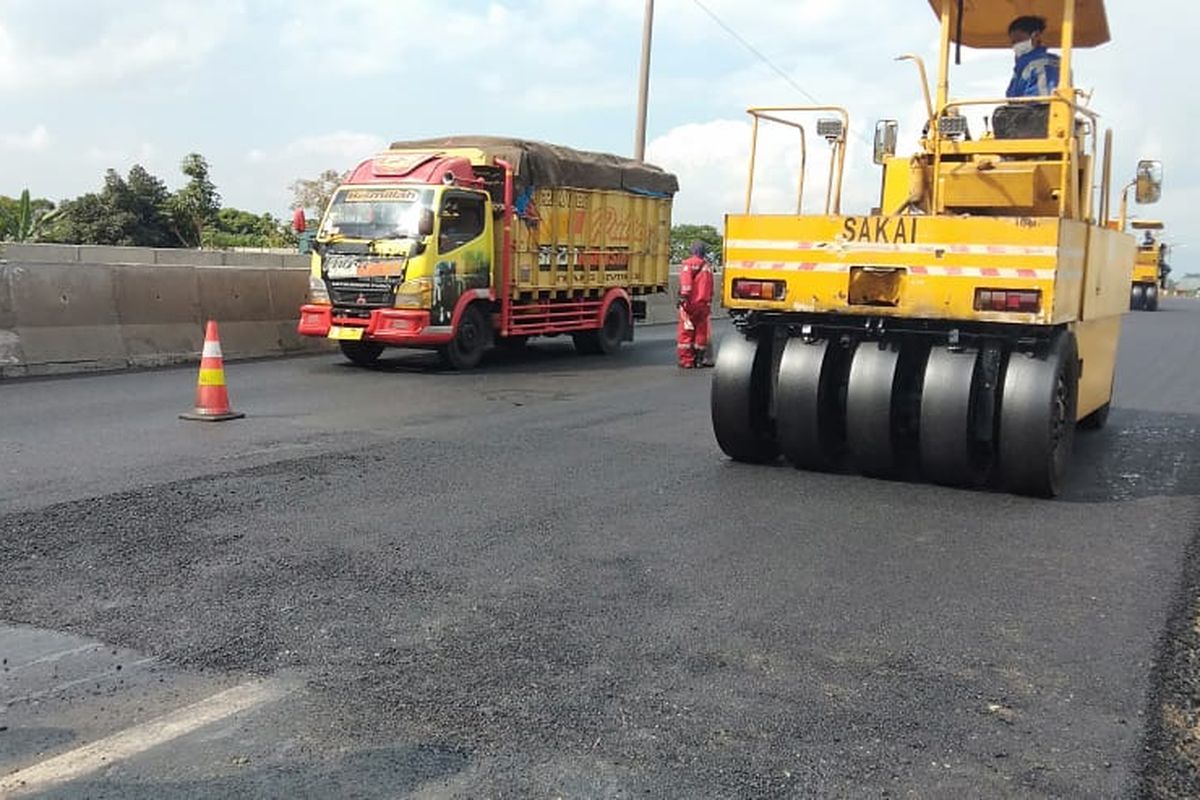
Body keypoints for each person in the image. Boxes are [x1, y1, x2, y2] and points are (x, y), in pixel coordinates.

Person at [677, 241, 715, 369]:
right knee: (701, 332)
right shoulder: (708, 267)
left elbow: (686, 283)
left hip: (691, 303)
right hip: (704, 305)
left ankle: (687, 361)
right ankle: (699, 359)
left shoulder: (688, 264)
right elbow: (711, 288)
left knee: (686, 331)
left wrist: (683, 296)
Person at [1006, 16, 1061, 99]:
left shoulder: (1045, 63)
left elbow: (1043, 99)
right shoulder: (1022, 66)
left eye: (1019, 40)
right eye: (1013, 42)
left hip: (1040, 110)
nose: (1016, 45)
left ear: (1036, 35)